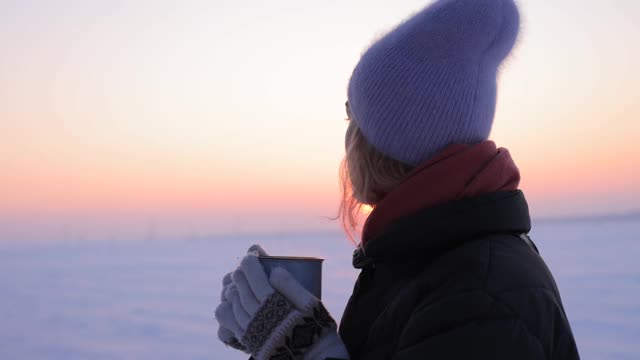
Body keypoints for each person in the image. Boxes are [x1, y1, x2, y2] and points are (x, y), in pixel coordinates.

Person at [214, 0, 581, 359]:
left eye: (352, 116)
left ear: (386, 141)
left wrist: (298, 349)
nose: (347, 138)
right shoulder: (428, 257)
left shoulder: (482, 296)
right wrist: (275, 332)